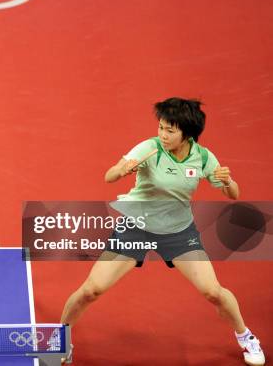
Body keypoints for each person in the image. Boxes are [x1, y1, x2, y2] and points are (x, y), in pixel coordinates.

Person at [60, 98, 265, 365]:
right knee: (92, 290)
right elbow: (109, 176)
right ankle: (59, 339)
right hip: (136, 225)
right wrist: (121, 170)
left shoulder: (202, 157)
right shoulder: (150, 148)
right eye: (161, 127)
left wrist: (228, 181)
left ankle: (246, 336)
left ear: (187, 133)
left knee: (213, 291)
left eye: (170, 130)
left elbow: (233, 194)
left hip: (178, 231)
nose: (163, 135)